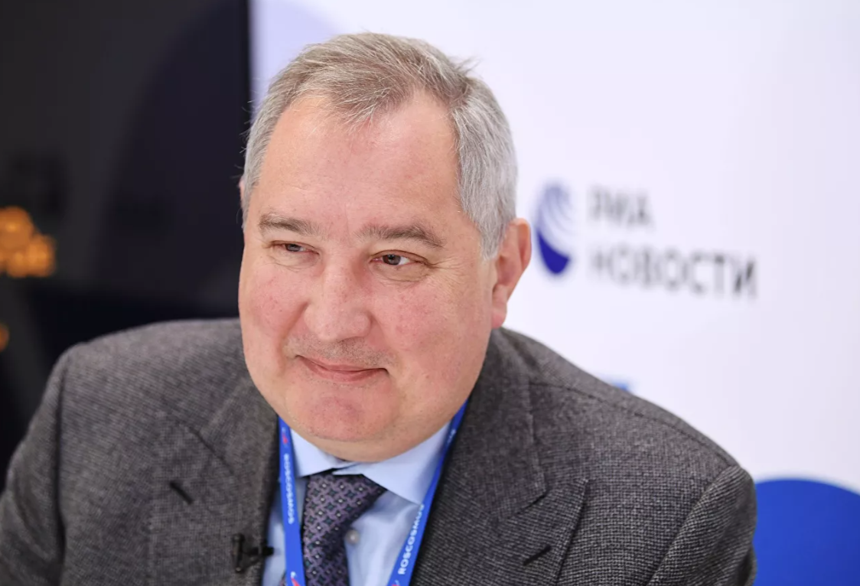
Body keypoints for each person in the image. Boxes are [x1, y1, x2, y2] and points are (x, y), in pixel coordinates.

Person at [0, 33, 756, 586]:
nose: (332, 322)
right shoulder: (98, 414)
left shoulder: (662, 522)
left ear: (501, 272)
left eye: (395, 260)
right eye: (292, 247)